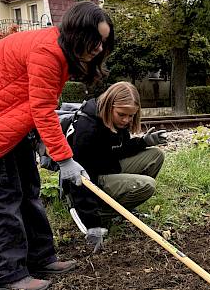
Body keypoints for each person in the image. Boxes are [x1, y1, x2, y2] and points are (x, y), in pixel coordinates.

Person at [0, 1, 113, 290]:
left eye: (104, 40)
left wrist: (42, 141)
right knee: (4, 197)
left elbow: (36, 102)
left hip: (8, 116)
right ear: (77, 34)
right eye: (95, 40)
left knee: (29, 189)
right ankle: (7, 274)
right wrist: (65, 160)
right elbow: (43, 109)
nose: (100, 48)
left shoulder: (59, 51)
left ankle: (40, 257)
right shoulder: (48, 52)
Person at [65, 81, 167, 251]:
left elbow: (119, 149)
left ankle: (123, 207)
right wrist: (91, 224)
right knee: (147, 186)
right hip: (91, 180)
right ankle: (103, 214)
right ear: (108, 106)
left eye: (131, 116)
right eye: (122, 115)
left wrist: (144, 142)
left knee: (155, 156)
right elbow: (79, 179)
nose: (127, 120)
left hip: (107, 166)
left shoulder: (115, 121)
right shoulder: (87, 129)